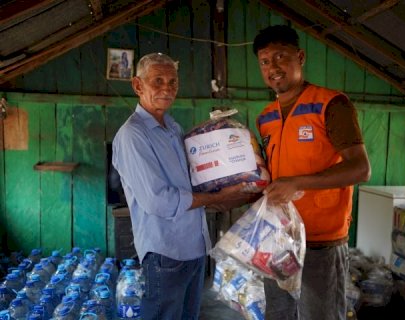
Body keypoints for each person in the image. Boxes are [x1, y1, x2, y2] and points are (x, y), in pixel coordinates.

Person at [112, 52, 250, 320]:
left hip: (194, 246)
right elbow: (158, 201)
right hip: (166, 252)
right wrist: (218, 196)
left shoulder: (172, 127)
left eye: (173, 82)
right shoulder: (133, 135)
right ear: (138, 86)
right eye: (158, 81)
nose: (167, 88)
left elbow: (192, 177)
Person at [253, 25, 371, 320]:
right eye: (265, 61)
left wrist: (298, 183)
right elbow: (273, 174)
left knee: (319, 315)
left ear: (300, 57)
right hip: (279, 237)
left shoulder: (331, 104)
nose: (273, 68)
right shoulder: (265, 117)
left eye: (281, 57)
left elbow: (360, 168)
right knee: (279, 313)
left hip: (320, 242)